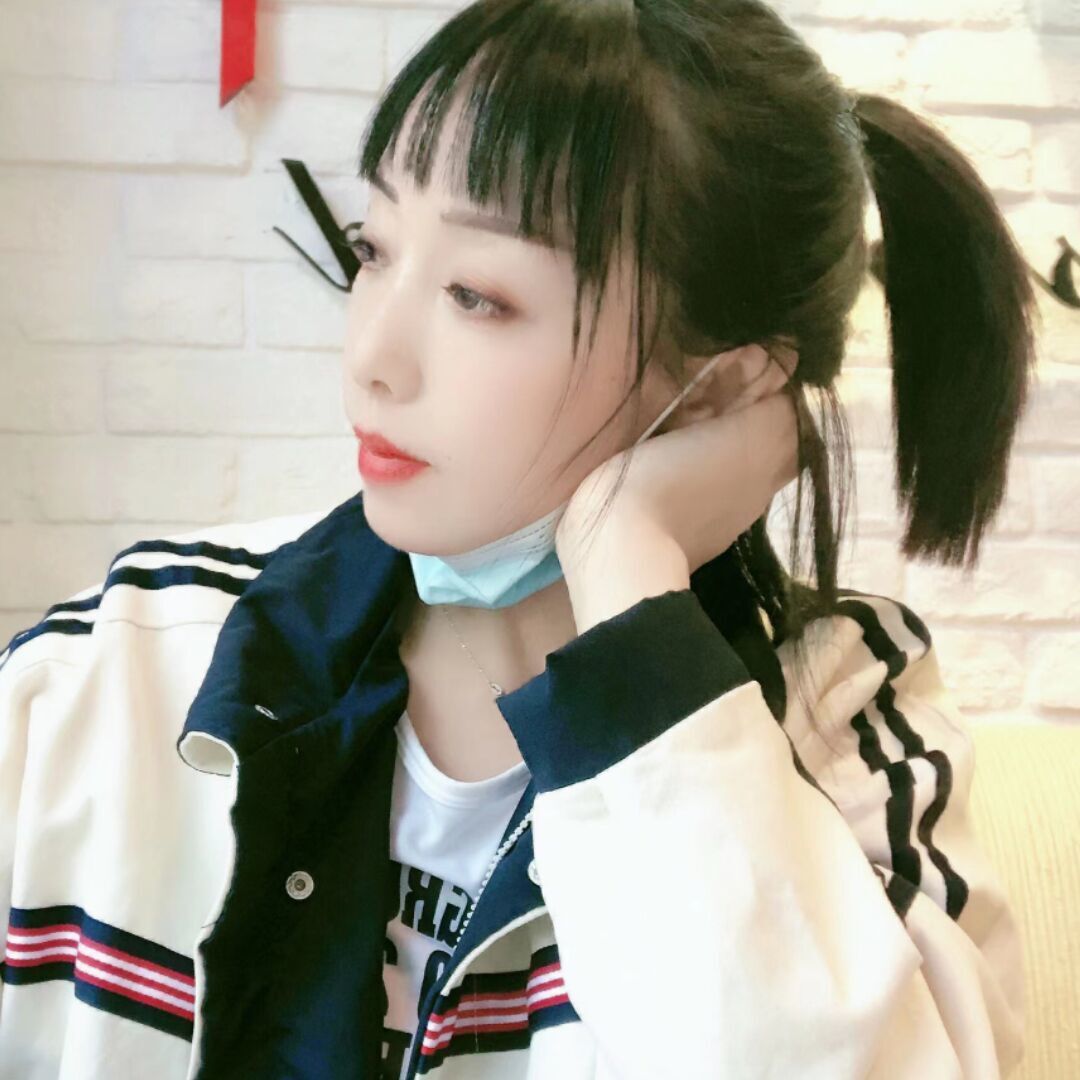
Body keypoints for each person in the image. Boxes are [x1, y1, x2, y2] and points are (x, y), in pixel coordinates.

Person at [0, 0, 1036, 1077]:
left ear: (717, 387)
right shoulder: (116, 676)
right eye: (372, 248)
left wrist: (628, 570)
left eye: (476, 295)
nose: (372, 358)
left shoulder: (843, 735)